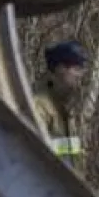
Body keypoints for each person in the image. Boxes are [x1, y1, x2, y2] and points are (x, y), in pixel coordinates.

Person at [33, 39, 89, 173]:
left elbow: (71, 157)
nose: (80, 75)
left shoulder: (65, 109)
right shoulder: (39, 106)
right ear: (59, 69)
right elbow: (34, 156)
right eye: (76, 69)